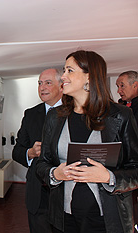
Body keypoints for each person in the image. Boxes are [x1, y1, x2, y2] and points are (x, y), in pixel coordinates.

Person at [36, 50, 138, 233]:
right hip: (64, 218)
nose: (63, 76)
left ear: (89, 77)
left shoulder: (121, 115)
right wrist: (55, 173)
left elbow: (136, 168)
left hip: (107, 219)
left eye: (69, 70)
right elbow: (42, 163)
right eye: (64, 70)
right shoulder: (54, 116)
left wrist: (109, 178)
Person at [12, 68, 63, 233]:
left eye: (48, 83)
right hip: (38, 193)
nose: (42, 88)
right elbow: (17, 151)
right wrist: (31, 153)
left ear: (62, 86)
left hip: (66, 192)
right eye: (40, 83)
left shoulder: (76, 112)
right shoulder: (31, 114)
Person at [116, 70, 138, 228]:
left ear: (135, 85)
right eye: (118, 86)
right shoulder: (123, 107)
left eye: (122, 86)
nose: (119, 90)